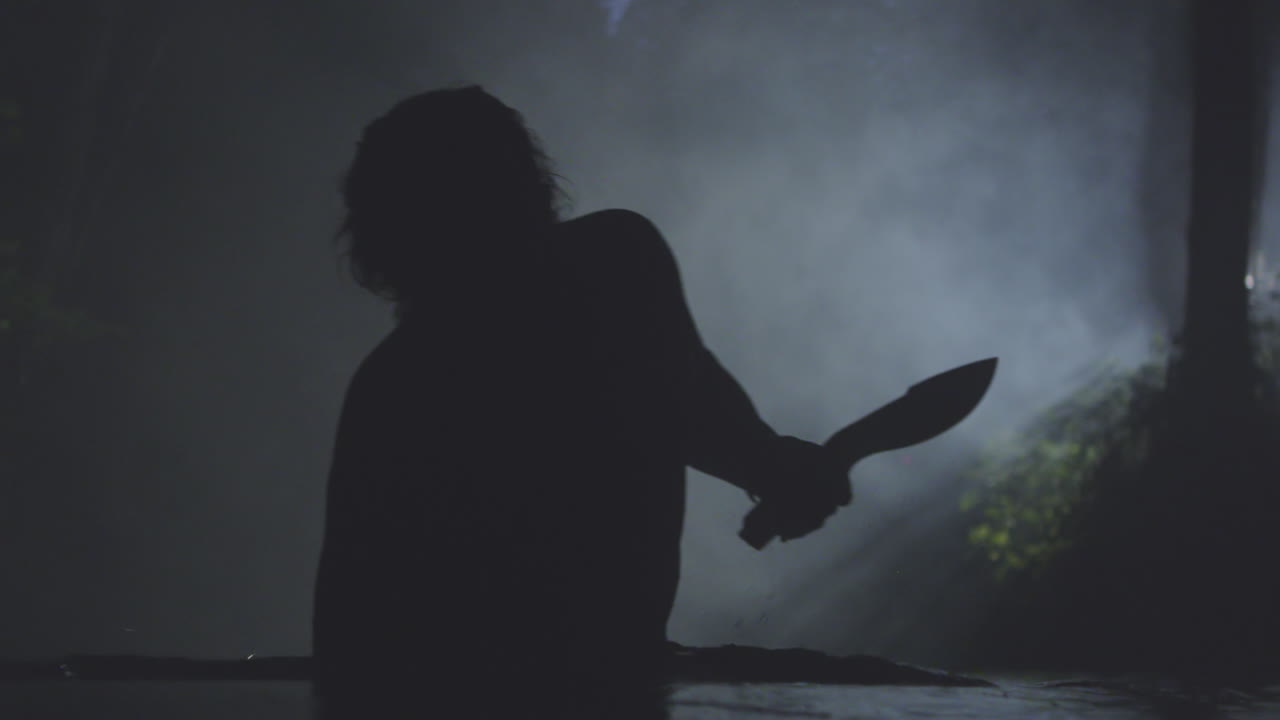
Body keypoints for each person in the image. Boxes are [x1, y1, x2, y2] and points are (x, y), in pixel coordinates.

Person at [310, 86, 851, 714]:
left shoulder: (391, 384)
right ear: (526, 186)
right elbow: (697, 409)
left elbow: (345, 626)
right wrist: (780, 470)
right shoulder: (615, 262)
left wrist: (775, 469)